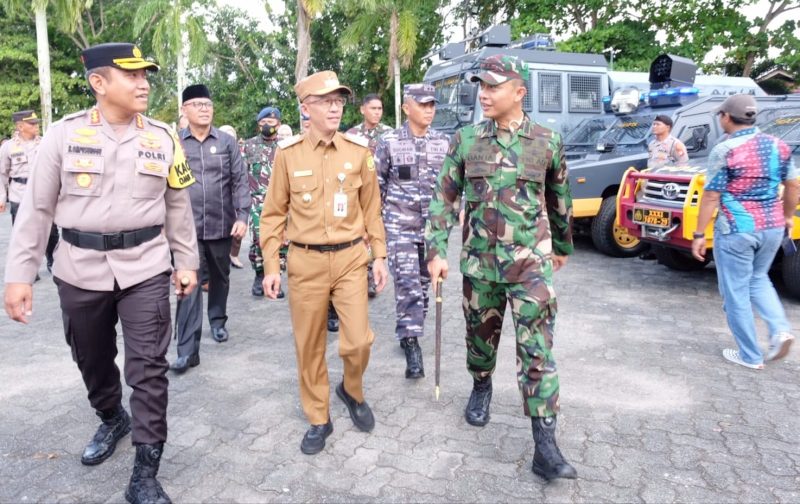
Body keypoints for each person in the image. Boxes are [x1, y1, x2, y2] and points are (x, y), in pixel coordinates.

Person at [3, 43, 199, 504]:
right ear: (99, 83)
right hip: (78, 266)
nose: (143, 82)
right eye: (131, 75)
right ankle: (112, 416)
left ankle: (146, 473)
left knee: (149, 368)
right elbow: (36, 208)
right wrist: (19, 274)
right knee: (90, 356)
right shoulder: (61, 135)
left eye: (146, 74)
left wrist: (186, 261)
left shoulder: (164, 136)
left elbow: (177, 206)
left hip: (147, 266)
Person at [425, 55, 577, 481]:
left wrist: (561, 246)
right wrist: (435, 251)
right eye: (481, 86)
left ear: (519, 93)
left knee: (538, 351)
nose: (484, 94)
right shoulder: (466, 140)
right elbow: (443, 200)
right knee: (480, 343)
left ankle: (544, 446)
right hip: (479, 266)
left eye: (493, 86)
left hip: (530, 267)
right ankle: (481, 385)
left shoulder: (547, 141)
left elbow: (559, 199)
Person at [260, 70, 388, 455]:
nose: (335, 107)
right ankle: (319, 417)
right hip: (305, 262)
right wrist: (270, 266)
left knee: (358, 341)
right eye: (326, 100)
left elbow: (372, 210)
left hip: (351, 258)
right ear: (306, 108)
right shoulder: (288, 155)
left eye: (339, 100)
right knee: (310, 345)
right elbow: (272, 216)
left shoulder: (358, 152)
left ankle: (351, 388)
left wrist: (379, 255)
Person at [692, 94, 797, 369]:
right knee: (759, 279)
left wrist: (700, 234)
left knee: (735, 292)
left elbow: (712, 196)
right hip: (772, 227)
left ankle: (750, 356)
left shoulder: (725, 150)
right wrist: (787, 216)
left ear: (726, 117)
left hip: (736, 230)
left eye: (720, 115)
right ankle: (779, 330)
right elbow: (794, 186)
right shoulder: (779, 146)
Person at [374, 83, 449, 379]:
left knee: (425, 285)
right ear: (407, 107)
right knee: (407, 284)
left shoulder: (443, 143)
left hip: (431, 230)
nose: (429, 110)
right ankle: (411, 342)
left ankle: (412, 327)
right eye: (423, 104)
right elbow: (376, 186)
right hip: (399, 227)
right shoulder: (389, 141)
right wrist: (374, 232)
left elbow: (450, 189)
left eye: (432, 105)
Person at [172, 84, 248, 367]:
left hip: (221, 225)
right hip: (186, 229)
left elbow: (240, 181)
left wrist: (242, 217)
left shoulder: (227, 142)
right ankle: (187, 350)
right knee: (187, 281)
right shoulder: (176, 143)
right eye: (198, 104)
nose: (204, 109)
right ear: (185, 110)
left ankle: (217, 320)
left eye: (208, 104)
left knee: (220, 276)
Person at [0, 110, 60, 273]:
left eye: (36, 123)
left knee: (51, 231)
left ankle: (53, 261)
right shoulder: (8, 147)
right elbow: (2, 173)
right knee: (22, 234)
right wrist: (1, 197)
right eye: (31, 123)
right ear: (20, 126)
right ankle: (26, 269)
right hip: (19, 194)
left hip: (43, 193)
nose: (36, 126)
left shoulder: (45, 143)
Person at [346, 94, 392, 300]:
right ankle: (358, 275)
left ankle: (373, 274)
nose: (377, 112)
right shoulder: (352, 135)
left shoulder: (390, 135)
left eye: (380, 108)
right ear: (363, 110)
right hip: (358, 194)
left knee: (376, 235)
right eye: (373, 108)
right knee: (357, 235)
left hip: (382, 195)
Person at [242, 106, 283, 297]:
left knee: (282, 241)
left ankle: (276, 278)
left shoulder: (285, 147)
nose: (268, 126)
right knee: (259, 241)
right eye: (264, 123)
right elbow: (241, 175)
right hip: (257, 202)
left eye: (272, 123)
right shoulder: (248, 146)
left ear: (279, 125)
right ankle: (259, 275)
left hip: (281, 203)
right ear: (259, 125)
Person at [219, 124, 245, 269]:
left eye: (231, 134)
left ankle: (233, 254)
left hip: (237, 194)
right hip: (221, 196)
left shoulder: (241, 151)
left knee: (239, 227)